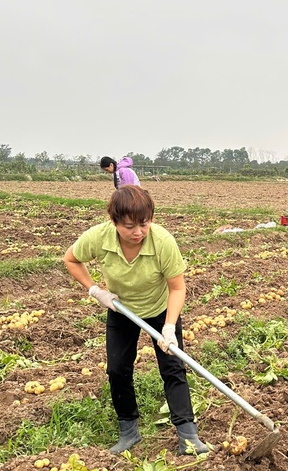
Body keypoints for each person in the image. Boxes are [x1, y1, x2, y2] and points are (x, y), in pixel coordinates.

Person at [63, 185, 207, 456]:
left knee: (173, 367)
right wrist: (95, 290)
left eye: (144, 224)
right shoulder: (98, 237)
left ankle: (187, 434)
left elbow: (177, 288)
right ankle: (128, 430)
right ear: (114, 221)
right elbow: (71, 259)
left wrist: (168, 326)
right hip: (122, 310)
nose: (138, 232)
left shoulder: (162, 241)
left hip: (160, 309)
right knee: (117, 369)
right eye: (129, 226)